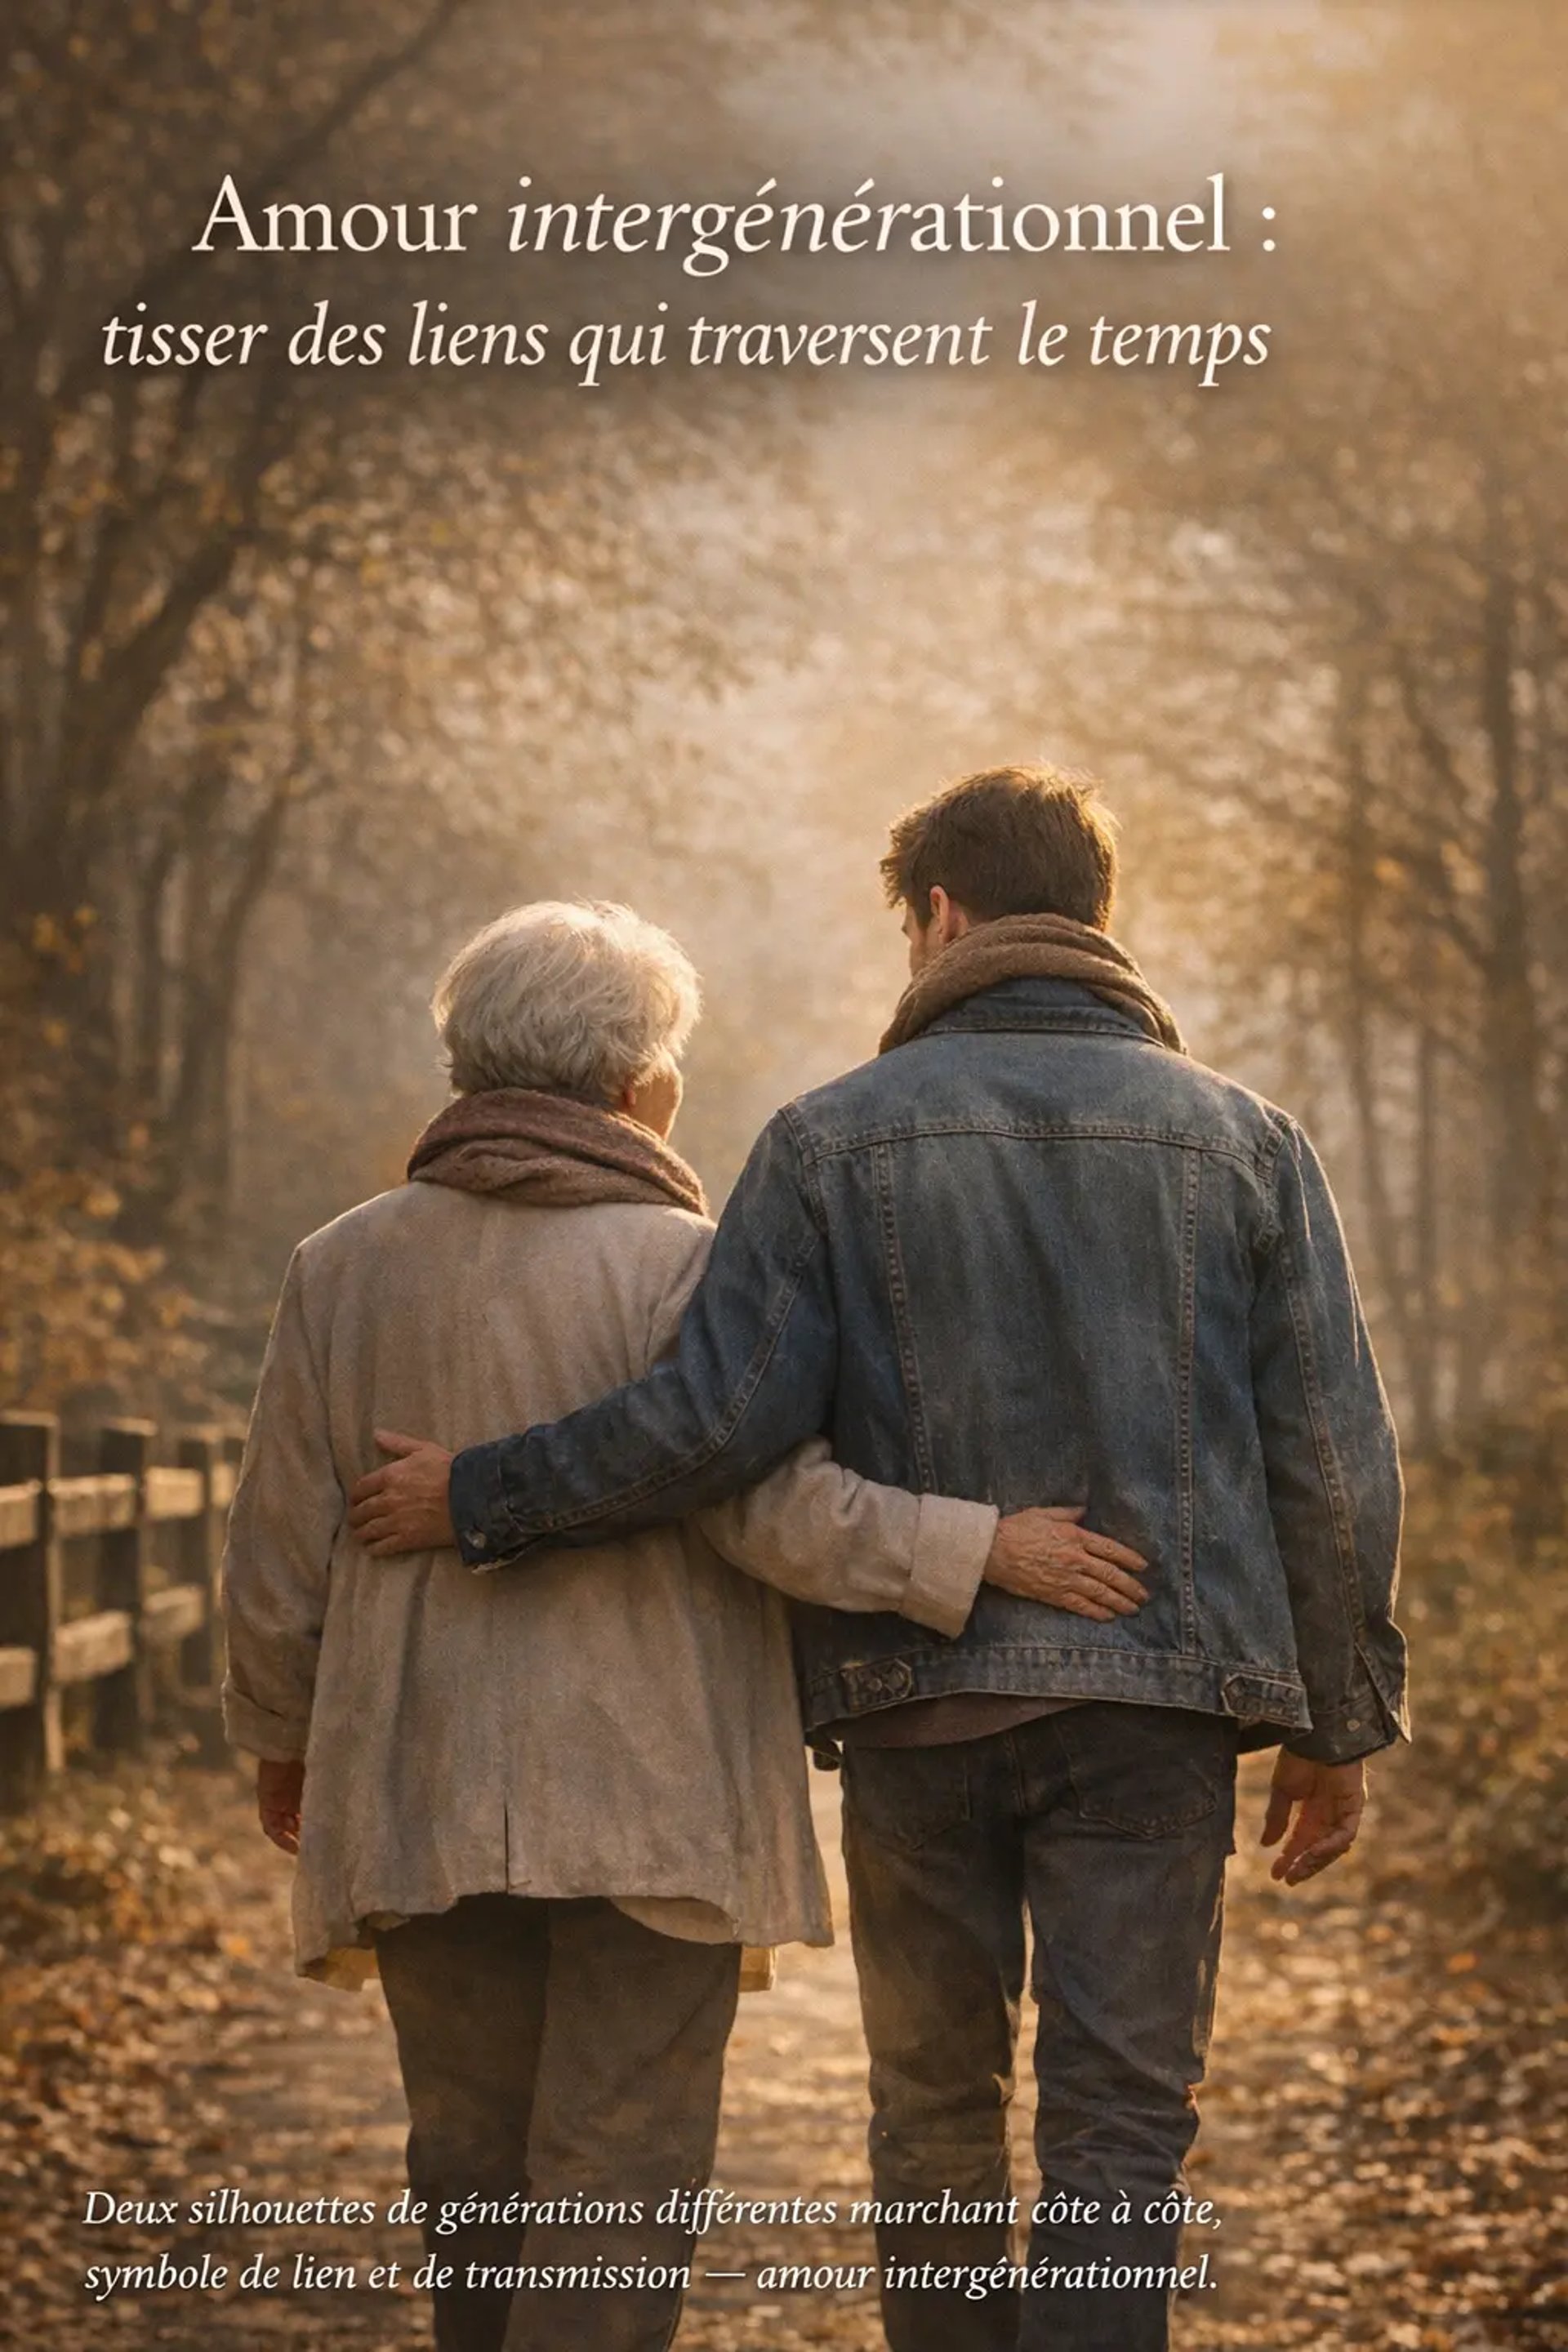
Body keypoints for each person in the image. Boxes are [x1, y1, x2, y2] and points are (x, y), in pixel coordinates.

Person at [351, 768, 1410, 2352]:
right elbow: (1328, 1455)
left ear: (939, 917)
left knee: (932, 2118)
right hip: (1160, 1712)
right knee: (1122, 2121)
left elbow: (715, 1429)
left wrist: (485, 1493)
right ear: (1096, 921)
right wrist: (1339, 1719)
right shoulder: (1246, 1145)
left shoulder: (827, 1144)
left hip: (920, 1705)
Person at [222, 895, 1145, 2352]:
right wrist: (980, 1545)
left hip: (416, 1779)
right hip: (652, 1795)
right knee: (619, 2174)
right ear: (644, 1084)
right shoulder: (690, 1266)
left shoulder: (340, 1266)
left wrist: (286, 1738)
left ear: (468, 1063)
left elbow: (278, 1547)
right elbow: (768, 1509)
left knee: (468, 2164)